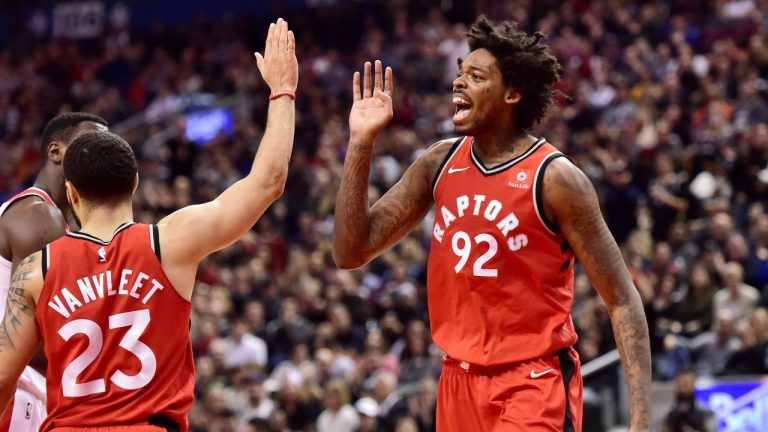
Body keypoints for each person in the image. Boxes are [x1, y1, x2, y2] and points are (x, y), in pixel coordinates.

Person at [333, 15, 651, 431]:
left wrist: (642, 422)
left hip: (531, 381)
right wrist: (360, 143)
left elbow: (623, 300)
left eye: (476, 75)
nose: (458, 82)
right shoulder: (439, 162)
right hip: (457, 381)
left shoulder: (555, 179)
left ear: (512, 93)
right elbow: (350, 251)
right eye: (461, 71)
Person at [0, 17, 297, 431]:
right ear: (135, 184)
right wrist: (283, 91)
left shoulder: (36, 269)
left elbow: (1, 379)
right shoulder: (169, 242)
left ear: (71, 194)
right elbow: (268, 181)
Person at [0, 112, 108, 432]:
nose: (100, 155)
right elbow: (26, 340)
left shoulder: (39, 214)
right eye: (90, 145)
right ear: (55, 152)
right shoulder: (42, 217)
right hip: (16, 392)